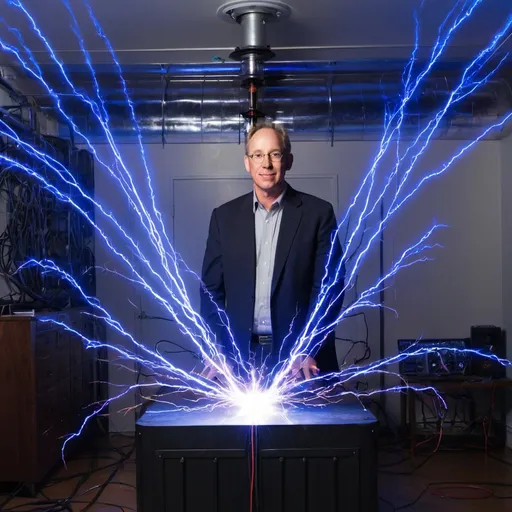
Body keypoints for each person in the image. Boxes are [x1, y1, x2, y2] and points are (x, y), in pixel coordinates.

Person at [200, 121, 344, 381]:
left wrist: (308, 348)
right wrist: (218, 347)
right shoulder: (224, 217)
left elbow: (330, 288)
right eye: (258, 155)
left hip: (300, 360)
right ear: (247, 162)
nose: (266, 164)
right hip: (240, 358)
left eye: (275, 154)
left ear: (288, 160)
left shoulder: (318, 214)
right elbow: (211, 292)